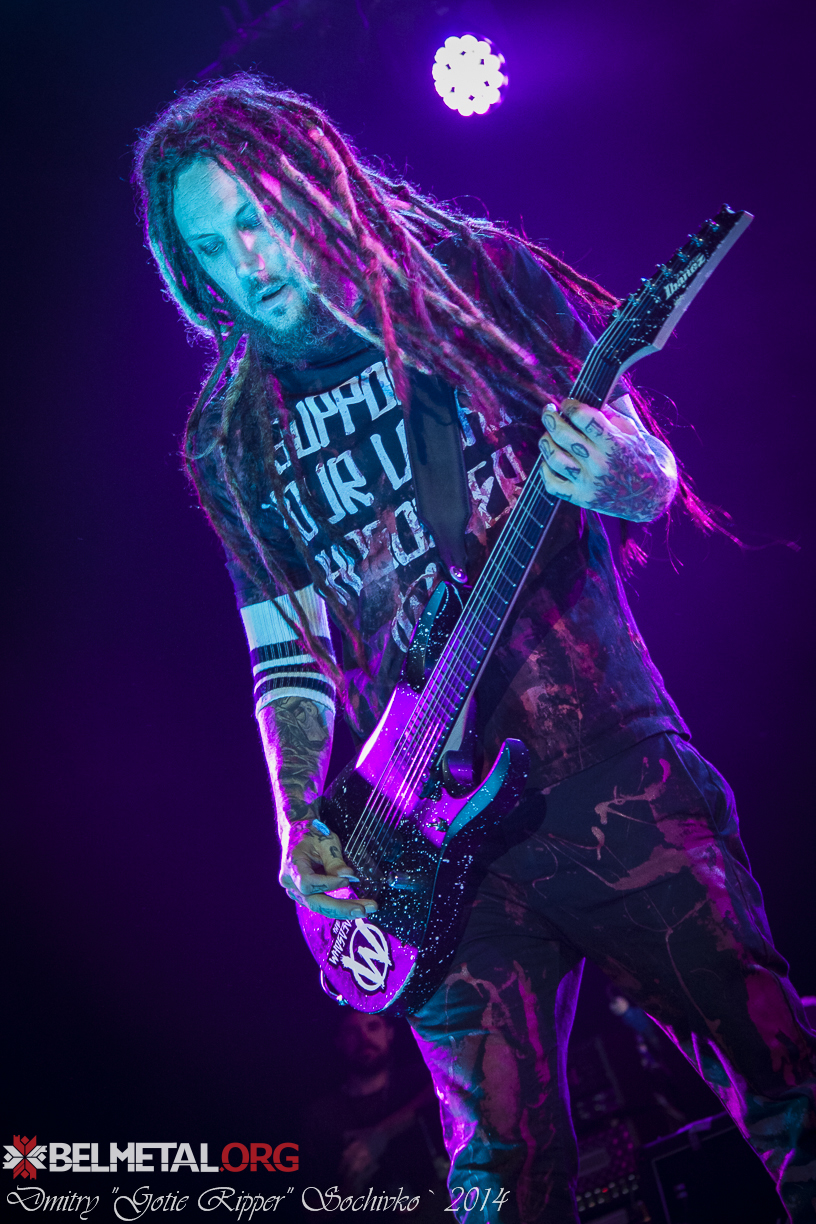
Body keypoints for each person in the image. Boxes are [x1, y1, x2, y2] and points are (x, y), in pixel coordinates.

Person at [133, 75, 816, 1222]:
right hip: (419, 838)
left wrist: (628, 475)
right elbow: (283, 650)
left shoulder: (476, 283)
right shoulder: (229, 432)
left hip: (603, 767)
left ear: (320, 184)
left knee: (781, 1073)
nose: (246, 264)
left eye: (257, 218)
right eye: (210, 246)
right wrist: (298, 820)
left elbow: (644, 469)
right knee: (497, 1182)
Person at [303, 1010, 449, 1216]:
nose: (365, 1038)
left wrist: (383, 1132)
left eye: (373, 1027)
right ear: (339, 1041)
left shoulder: (420, 1081)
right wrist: (347, 1192)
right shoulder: (322, 1115)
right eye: (352, 1031)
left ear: (389, 1032)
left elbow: (454, 1087)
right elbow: (311, 1210)